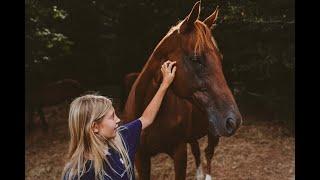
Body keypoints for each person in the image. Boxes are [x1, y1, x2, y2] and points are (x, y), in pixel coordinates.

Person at [62, 60, 177, 180]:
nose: (118, 119)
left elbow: (146, 118)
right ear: (95, 127)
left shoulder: (121, 138)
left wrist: (164, 84)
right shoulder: (78, 174)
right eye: (112, 117)